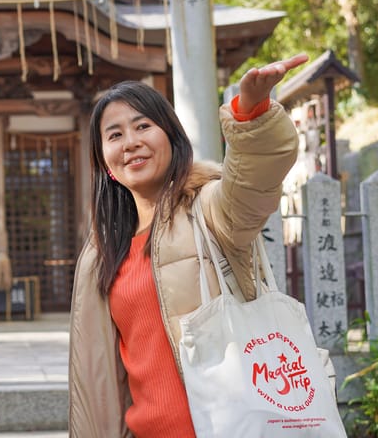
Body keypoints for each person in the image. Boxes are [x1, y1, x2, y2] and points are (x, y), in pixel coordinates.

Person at [68, 54, 309, 438]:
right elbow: (96, 379)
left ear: (171, 136)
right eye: (114, 135)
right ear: (106, 165)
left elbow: (255, 182)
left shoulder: (209, 207)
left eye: (142, 126)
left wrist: (252, 117)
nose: (131, 142)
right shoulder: (101, 253)